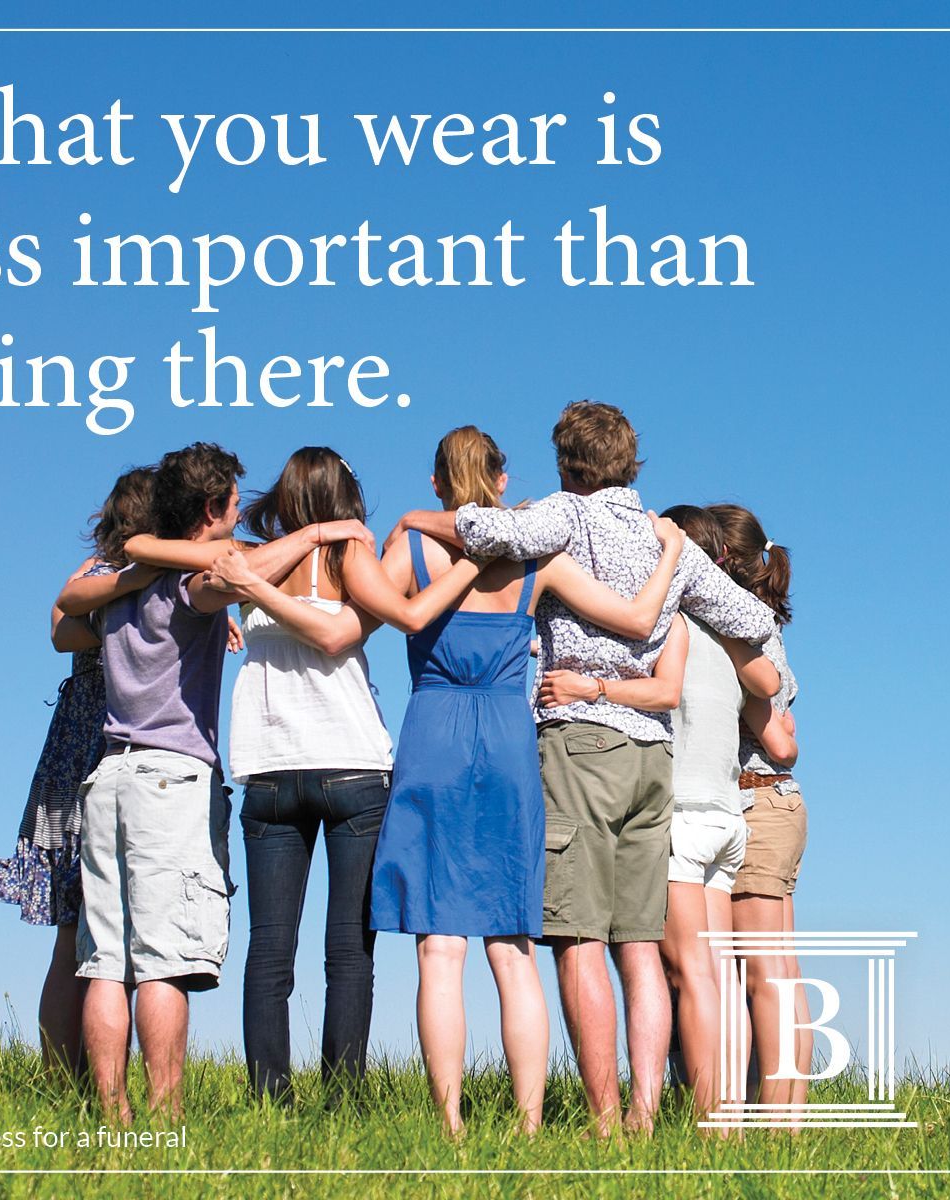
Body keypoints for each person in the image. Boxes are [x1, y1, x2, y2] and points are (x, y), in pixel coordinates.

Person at [209, 426, 688, 1136]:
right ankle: (528, 1123)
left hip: (431, 734)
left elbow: (350, 625)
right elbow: (636, 617)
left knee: (438, 947)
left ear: (436, 485)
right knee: (514, 948)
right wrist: (671, 553)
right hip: (507, 744)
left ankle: (452, 1124)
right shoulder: (537, 559)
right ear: (500, 483)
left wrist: (246, 597)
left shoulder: (408, 550)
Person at [389, 402, 777, 1136]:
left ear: (569, 465)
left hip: (579, 738)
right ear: (633, 462)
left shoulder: (564, 514)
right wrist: (673, 577)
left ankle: (601, 1120)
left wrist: (416, 519)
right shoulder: (672, 540)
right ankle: (645, 1114)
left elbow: (489, 528)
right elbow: (751, 620)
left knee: (578, 942)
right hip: (652, 753)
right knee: (639, 942)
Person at [123, 446, 482, 1106]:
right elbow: (344, 631)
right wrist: (331, 536)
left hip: (268, 767)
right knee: (348, 953)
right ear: (343, 497)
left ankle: (269, 1101)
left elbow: (216, 578)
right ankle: (342, 1099)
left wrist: (266, 575)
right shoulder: (353, 559)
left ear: (284, 497)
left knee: (269, 952)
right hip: (352, 765)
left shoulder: (248, 560)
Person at [55, 441, 376, 1123]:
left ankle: (113, 1117)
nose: (242, 514)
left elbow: (65, 614)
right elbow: (232, 572)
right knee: (166, 961)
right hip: (170, 777)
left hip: (107, 771)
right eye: (233, 504)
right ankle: (165, 1112)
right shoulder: (187, 582)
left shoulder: (122, 582)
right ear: (209, 509)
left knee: (106, 963)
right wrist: (317, 531)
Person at [540, 505, 789, 1128]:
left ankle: (716, 1118)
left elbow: (661, 689)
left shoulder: (667, 623)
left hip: (679, 812)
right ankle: (733, 1111)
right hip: (729, 816)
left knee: (690, 970)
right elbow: (771, 687)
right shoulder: (730, 636)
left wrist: (586, 687)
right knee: (718, 972)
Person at [0, 465, 159, 1077]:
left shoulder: (111, 576)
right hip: (109, 746)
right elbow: (62, 626)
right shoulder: (116, 577)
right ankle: (81, 1084)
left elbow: (61, 630)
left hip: (75, 747)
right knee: (107, 938)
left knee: (83, 939)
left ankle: (73, 1083)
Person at [709, 501, 809, 1120]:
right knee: (780, 969)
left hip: (757, 795)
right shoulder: (765, 623)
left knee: (762, 975)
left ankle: (777, 1124)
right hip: (777, 801)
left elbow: (778, 740)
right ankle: (788, 1120)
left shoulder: (743, 634)